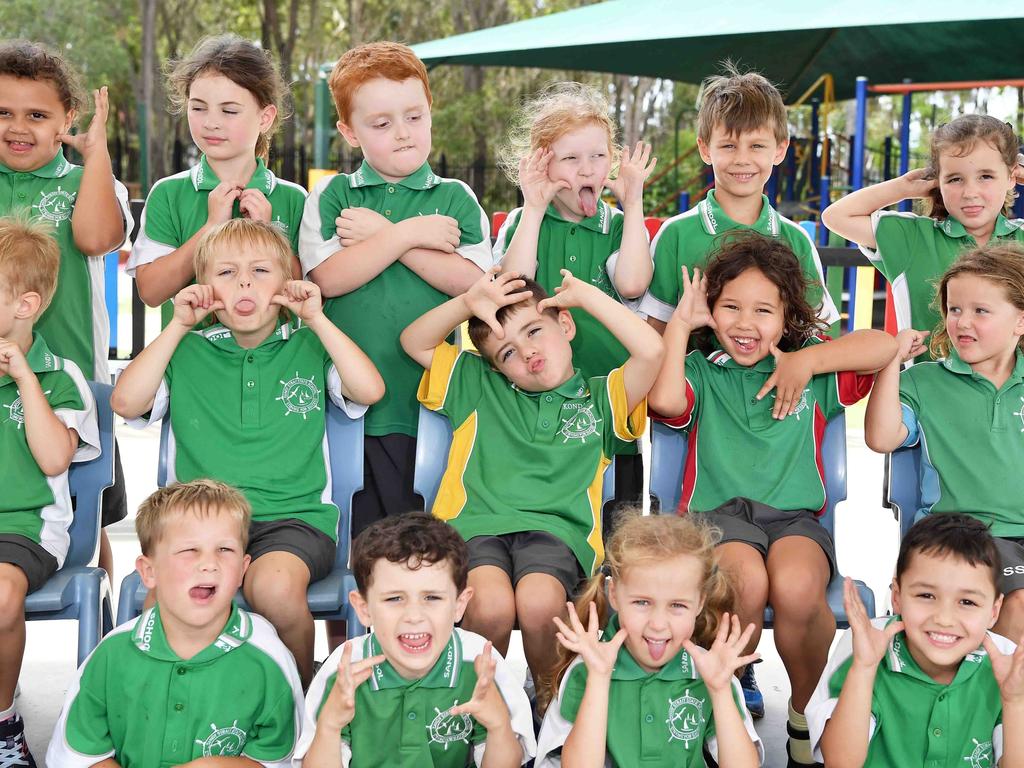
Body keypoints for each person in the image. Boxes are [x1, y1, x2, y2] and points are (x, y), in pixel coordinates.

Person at [647, 231, 897, 765]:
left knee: (799, 584)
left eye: (764, 310)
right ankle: (728, 703)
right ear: (710, 310)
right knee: (746, 578)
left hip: (794, 520)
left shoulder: (812, 369)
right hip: (718, 518)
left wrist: (807, 362)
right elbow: (665, 400)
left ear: (787, 319)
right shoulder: (700, 371)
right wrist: (678, 327)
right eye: (730, 306)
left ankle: (805, 711)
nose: (745, 323)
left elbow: (884, 344)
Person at [111, 219, 384, 687]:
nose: (243, 283)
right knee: (166, 599)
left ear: (286, 284)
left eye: (260, 271)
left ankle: (294, 701)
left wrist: (317, 319)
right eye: (226, 273)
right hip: (204, 521)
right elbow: (126, 402)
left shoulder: (308, 344)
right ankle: (181, 703)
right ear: (205, 289)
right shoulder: (186, 350)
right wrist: (177, 327)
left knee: (276, 590)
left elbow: (370, 389)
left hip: (293, 520)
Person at [400, 265, 663, 687]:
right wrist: (468, 302)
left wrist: (587, 297)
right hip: (476, 527)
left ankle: (548, 701)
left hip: (557, 532)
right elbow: (414, 341)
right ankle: (479, 709)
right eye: (506, 353)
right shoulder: (477, 384)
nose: (524, 353)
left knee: (541, 604)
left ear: (565, 324)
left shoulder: (603, 398)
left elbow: (651, 351)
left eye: (534, 331)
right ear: (495, 367)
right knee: (490, 607)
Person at [299, 41, 491, 543]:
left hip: (431, 399)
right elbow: (328, 279)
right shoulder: (333, 196)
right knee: (353, 548)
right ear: (348, 131)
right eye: (381, 124)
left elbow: (473, 284)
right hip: (347, 405)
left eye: (414, 116)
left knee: (425, 545)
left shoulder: (455, 197)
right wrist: (409, 233)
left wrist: (383, 235)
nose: (403, 133)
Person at [47, 479, 305, 767]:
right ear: (149, 572)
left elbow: (278, 760)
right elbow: (80, 757)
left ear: (243, 570)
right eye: (190, 550)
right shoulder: (110, 655)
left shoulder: (269, 661)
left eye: (224, 550)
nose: (209, 564)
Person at [494, 81, 657, 533]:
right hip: (538, 414)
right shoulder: (522, 224)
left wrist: (634, 200)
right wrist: (532, 206)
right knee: (552, 527)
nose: (588, 169)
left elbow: (633, 281)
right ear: (542, 163)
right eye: (571, 158)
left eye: (598, 156)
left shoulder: (621, 226)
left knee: (618, 532)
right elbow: (512, 286)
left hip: (612, 408)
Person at [0, 39, 132, 580]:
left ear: (68, 118)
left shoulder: (86, 182)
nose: (18, 126)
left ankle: (97, 634)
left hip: (66, 385)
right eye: (4, 113)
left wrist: (96, 154)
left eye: (37, 114)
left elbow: (99, 236)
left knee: (84, 519)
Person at [865, 243, 1024, 643]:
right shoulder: (923, 382)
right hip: (962, 536)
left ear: (1020, 321)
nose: (962, 322)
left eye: (980, 311)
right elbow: (882, 437)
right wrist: (892, 364)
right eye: (955, 309)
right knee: (1018, 607)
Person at [295, 512, 535, 767]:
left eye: (432, 597)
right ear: (363, 608)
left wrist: (498, 726)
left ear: (460, 604)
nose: (414, 616)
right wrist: (330, 726)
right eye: (394, 598)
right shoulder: (343, 671)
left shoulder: (481, 665)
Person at [535, 512, 762, 767]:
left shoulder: (710, 674)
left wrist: (720, 692)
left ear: (700, 603)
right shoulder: (585, 671)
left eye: (677, 605)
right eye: (642, 602)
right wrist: (598, 679)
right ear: (614, 595)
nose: (657, 624)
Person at [807, 513, 1024, 768]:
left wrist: (1014, 701)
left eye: (967, 602)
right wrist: (863, 670)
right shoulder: (866, 646)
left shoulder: (1007, 664)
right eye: (926, 595)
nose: (944, 619)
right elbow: (841, 762)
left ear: (994, 611)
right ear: (897, 596)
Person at [0, 216, 99, 767]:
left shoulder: (60, 377)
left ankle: (3, 723)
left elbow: (54, 457)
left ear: (26, 304)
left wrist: (24, 379)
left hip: (26, 527)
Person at [641, 63, 838, 338]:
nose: (742, 159)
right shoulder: (675, 235)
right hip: (691, 380)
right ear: (705, 149)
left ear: (780, 150)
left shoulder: (796, 241)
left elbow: (817, 334)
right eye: (728, 146)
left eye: (756, 146)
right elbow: (655, 333)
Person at [130, 33, 305, 325]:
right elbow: (151, 291)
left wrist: (268, 232)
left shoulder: (294, 198)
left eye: (229, 110)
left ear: (265, 117)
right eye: (198, 107)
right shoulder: (168, 193)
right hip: (190, 363)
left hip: (279, 366)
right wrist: (211, 228)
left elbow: (308, 294)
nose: (211, 122)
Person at [822, 114, 1024, 361]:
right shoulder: (914, 237)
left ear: (1012, 177)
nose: (970, 192)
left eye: (986, 176)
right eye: (955, 179)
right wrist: (903, 187)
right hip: (926, 395)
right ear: (937, 182)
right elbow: (837, 216)